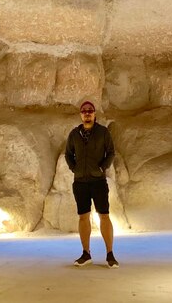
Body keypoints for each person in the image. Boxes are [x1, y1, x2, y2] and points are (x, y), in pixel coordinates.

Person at [65, 100, 119, 268]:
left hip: (98, 181)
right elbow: (68, 154)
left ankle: (110, 254)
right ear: (81, 114)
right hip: (80, 181)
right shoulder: (74, 134)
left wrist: (102, 168)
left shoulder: (102, 132)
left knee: (104, 215)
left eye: (90, 110)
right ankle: (86, 253)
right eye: (84, 111)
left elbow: (111, 152)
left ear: (94, 114)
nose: (87, 113)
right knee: (83, 216)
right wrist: (75, 169)